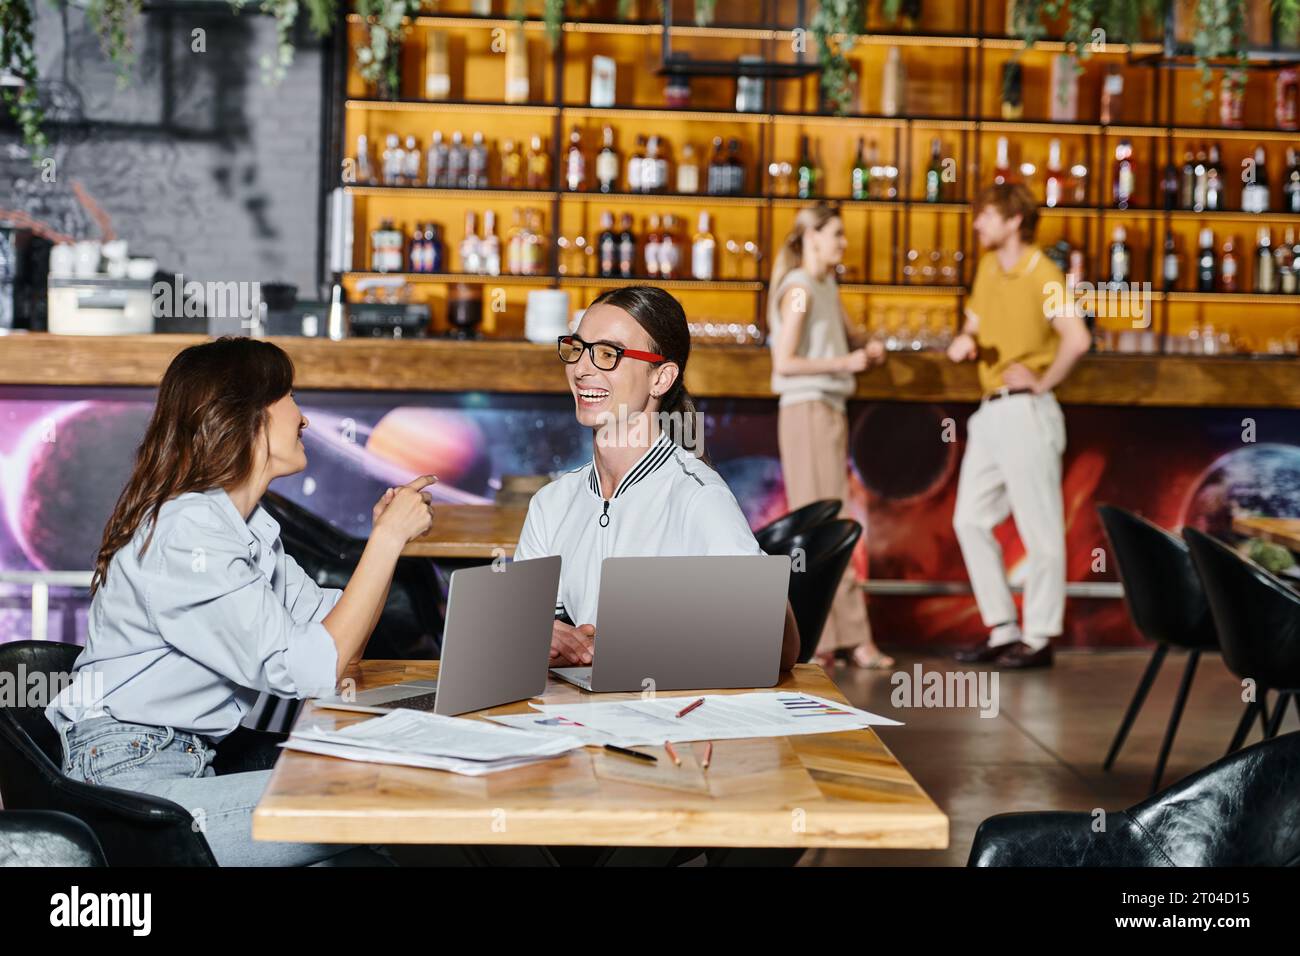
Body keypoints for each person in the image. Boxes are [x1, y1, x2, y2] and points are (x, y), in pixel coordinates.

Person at [46, 337, 437, 865]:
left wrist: (387, 552)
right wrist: (387, 542)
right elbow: (316, 667)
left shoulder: (243, 528)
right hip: (133, 780)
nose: (302, 418)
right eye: (288, 396)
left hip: (183, 761)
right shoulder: (189, 533)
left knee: (391, 790)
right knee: (381, 797)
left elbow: (331, 628)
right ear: (247, 416)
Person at [513, 285, 801, 672]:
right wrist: (534, 635)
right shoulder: (550, 503)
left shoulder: (698, 496)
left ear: (661, 378)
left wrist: (643, 639)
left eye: (607, 354)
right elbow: (512, 643)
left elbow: (782, 646)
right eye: (577, 348)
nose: (581, 368)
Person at [948, 183, 1091, 669]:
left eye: (985, 216)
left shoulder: (1043, 273)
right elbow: (974, 322)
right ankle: (1004, 627)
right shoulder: (989, 268)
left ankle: (1040, 635)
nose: (977, 224)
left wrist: (1041, 382)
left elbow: (1077, 338)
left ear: (1012, 220)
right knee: (969, 518)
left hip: (1027, 411)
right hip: (990, 410)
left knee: (1041, 528)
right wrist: (966, 341)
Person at [767, 202, 891, 671]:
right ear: (812, 237)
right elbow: (784, 361)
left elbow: (847, 335)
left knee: (830, 523)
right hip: (808, 409)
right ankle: (845, 640)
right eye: (836, 234)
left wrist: (864, 348)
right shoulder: (799, 288)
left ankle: (831, 639)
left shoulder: (823, 284)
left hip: (826, 409)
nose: (843, 242)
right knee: (828, 526)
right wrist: (845, 363)